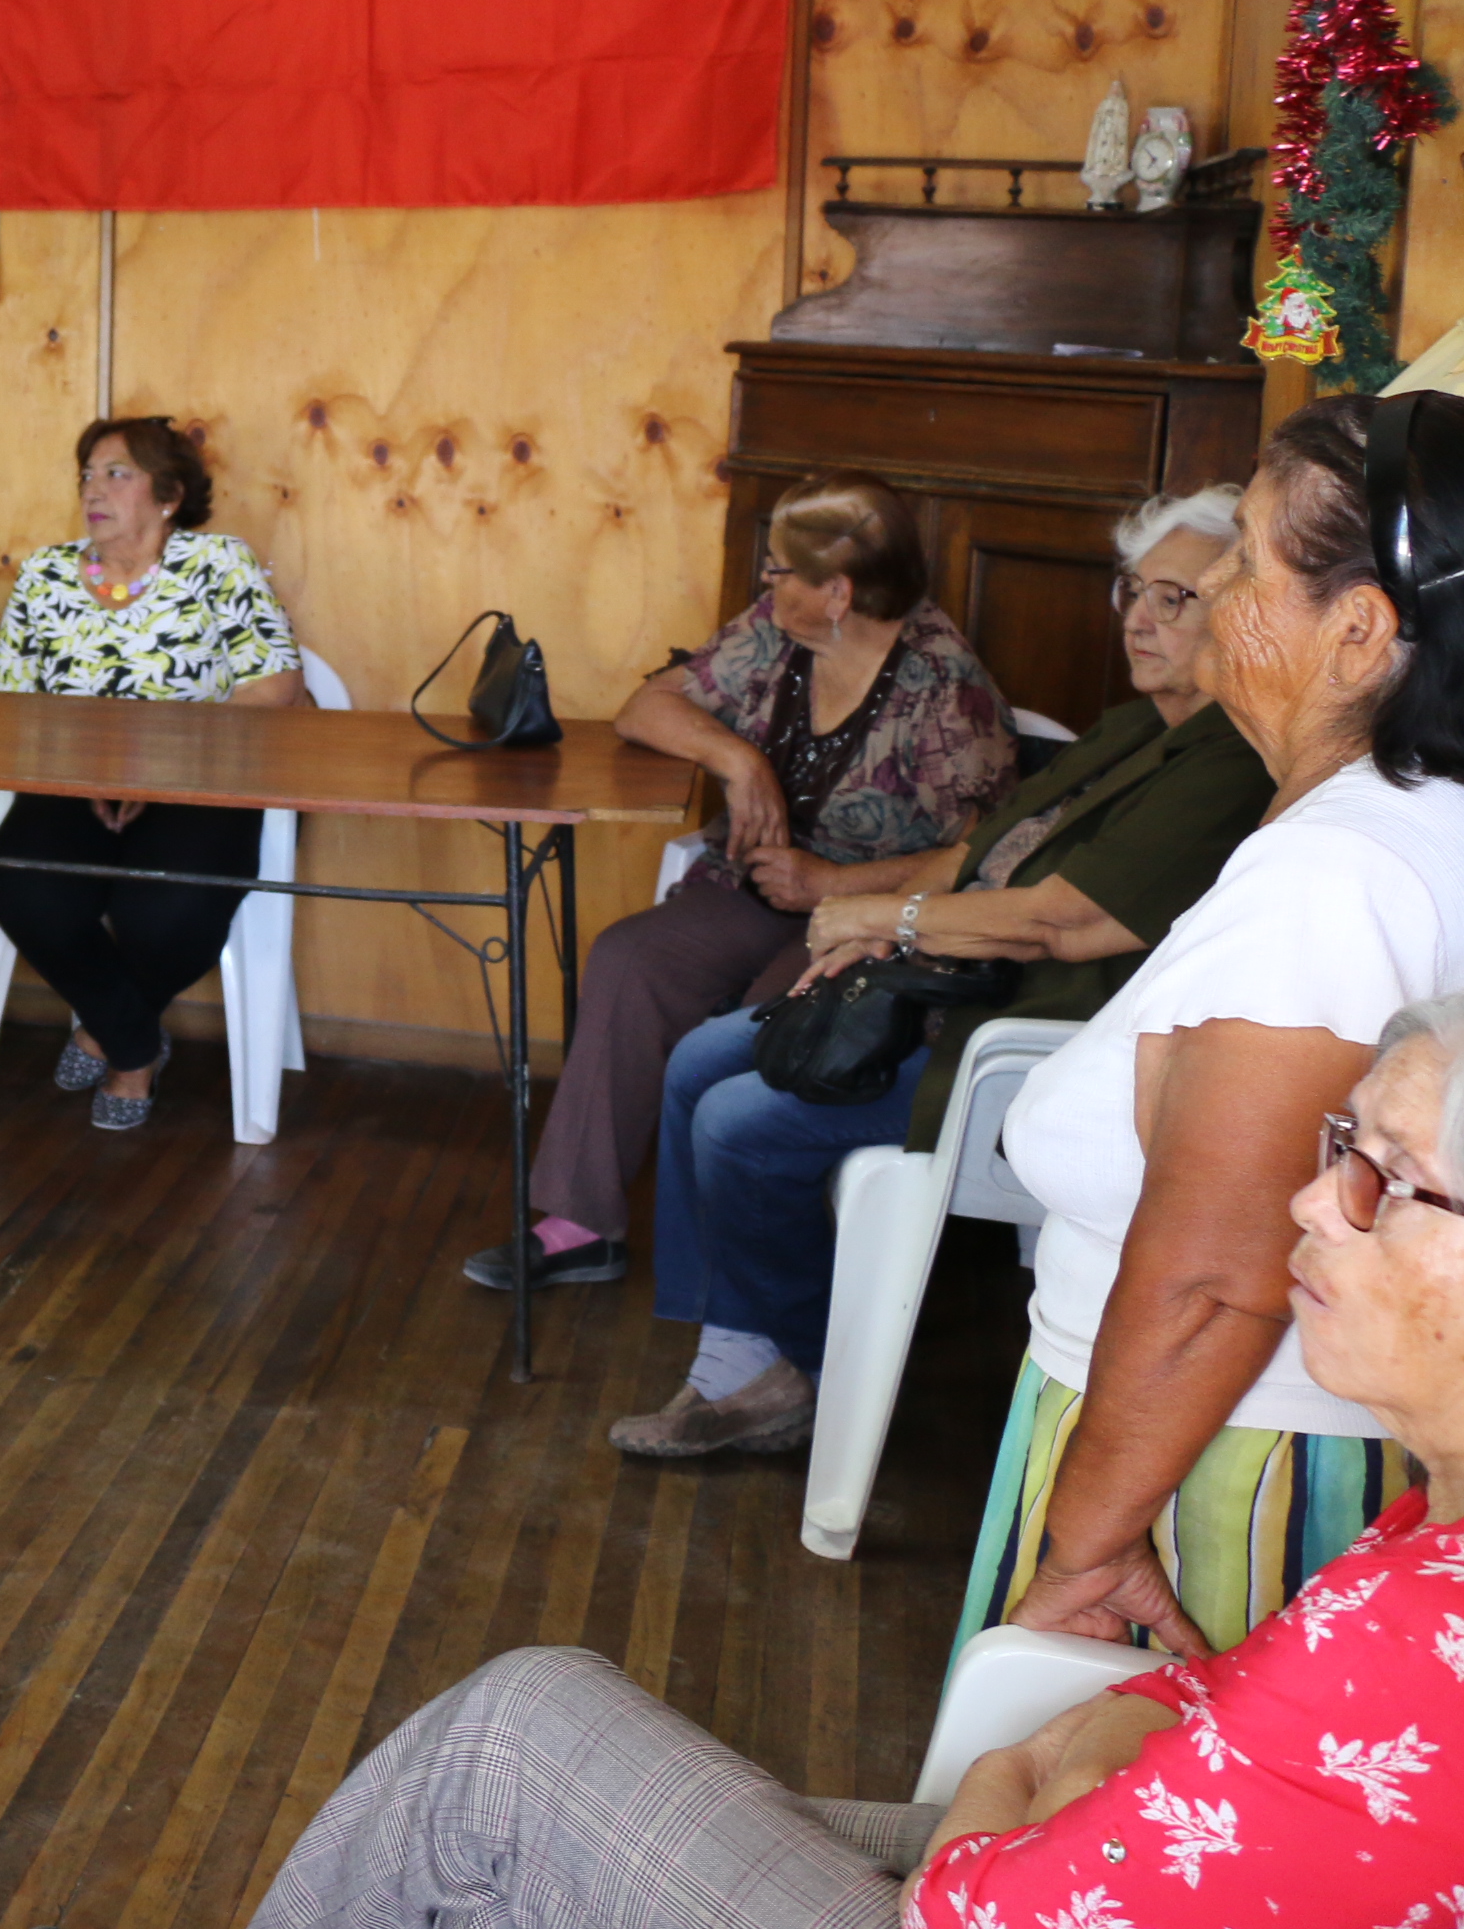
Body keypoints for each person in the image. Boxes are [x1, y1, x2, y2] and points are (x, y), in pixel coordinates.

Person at [247, 995, 1464, 1929]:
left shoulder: (1421, 1627)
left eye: (1388, 1178)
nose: (1310, 1200)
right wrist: (1078, 1762)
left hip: (986, 1893)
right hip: (1079, 1853)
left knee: (504, 1742)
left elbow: (970, 1902)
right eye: (1338, 1145)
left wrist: (1023, 1768)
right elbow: (1182, 1714)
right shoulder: (1428, 1522)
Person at [611, 488, 1276, 1457]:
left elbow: (1069, 919)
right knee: (703, 1054)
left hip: (1023, 1050)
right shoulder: (1137, 729)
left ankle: (786, 1370)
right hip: (943, 990)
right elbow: (979, 853)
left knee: (741, 1124)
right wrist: (866, 922)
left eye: (1177, 597)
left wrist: (890, 914)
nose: (1141, 616)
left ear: (1241, 609)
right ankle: (735, 1350)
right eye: (1135, 590)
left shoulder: (1231, 760)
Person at [962, 391, 1464, 1656]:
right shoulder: (1396, 828)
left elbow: (1212, 1279)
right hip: (1223, 1442)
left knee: (1091, 1823)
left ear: (1357, 630)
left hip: (1224, 1473)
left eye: (1243, 556)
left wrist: (1086, 1541)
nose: (1211, 594)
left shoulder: (1336, 877)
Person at [465, 472, 1013, 1292]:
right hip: (748, 887)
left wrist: (835, 881)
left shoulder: (944, 690)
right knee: (629, 961)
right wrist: (737, 757)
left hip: (867, 918)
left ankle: (741, 1275)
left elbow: (983, 857)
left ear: (838, 591)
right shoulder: (777, 634)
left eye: (780, 571)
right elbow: (643, 709)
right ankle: (580, 1226)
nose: (765, 583)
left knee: (767, 1017)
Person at [0, 416, 306, 1130]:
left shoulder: (218, 563)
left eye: (116, 474)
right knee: (23, 887)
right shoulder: (43, 574)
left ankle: (108, 1034)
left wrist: (156, 773)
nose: (94, 491)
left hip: (201, 780)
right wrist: (87, 772)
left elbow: (275, 686)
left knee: (167, 909)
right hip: (74, 779)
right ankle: (135, 1044)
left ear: (168, 494)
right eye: (87, 476)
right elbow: (14, 701)